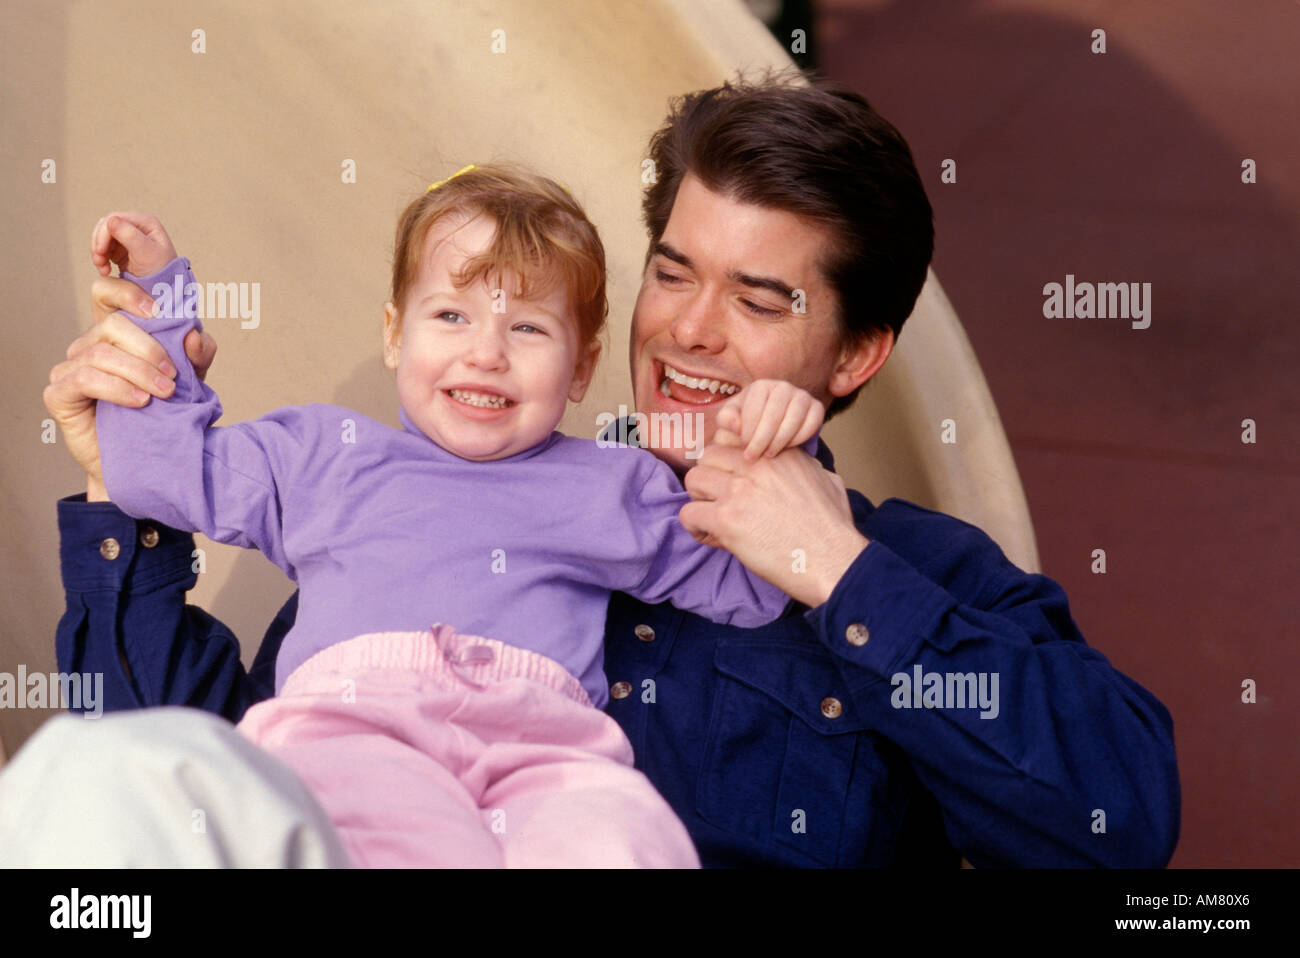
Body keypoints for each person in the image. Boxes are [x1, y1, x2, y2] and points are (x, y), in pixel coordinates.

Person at [36, 72, 1180, 868]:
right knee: (76, 789)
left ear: (855, 353)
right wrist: (120, 479)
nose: (690, 331)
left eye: (759, 297)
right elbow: (190, 780)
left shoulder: (917, 572)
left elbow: (1113, 820)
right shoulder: (434, 498)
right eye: (675, 274)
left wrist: (837, 569)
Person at [63, 162, 831, 868]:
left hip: (546, 748)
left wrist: (766, 443)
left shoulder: (613, 485)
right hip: (354, 729)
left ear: (582, 368)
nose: (486, 354)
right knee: (375, 836)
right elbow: (154, 470)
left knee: (624, 834)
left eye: (527, 328)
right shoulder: (321, 455)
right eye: (451, 317)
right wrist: (160, 304)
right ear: (395, 334)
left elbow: (761, 581)